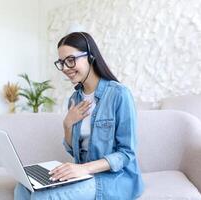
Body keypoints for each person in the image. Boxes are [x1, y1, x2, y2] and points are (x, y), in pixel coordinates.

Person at [14, 32, 144, 199]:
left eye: (70, 60)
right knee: (23, 187)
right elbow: (72, 150)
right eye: (61, 63)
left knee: (42, 197)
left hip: (115, 179)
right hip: (84, 175)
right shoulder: (75, 99)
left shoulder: (119, 94)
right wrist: (67, 125)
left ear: (90, 56)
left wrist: (84, 168)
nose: (66, 68)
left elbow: (127, 153)